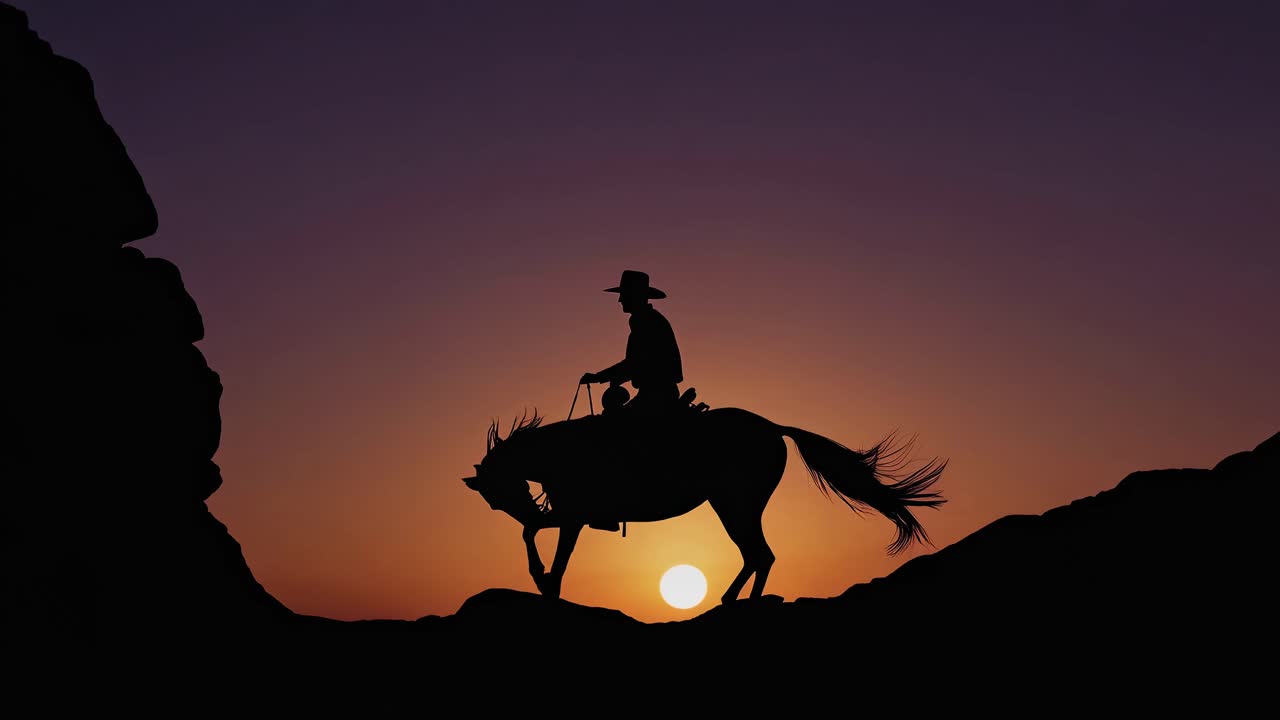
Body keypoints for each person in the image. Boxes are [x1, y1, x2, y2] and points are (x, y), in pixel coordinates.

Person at [580, 270, 684, 417]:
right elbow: (641, 363)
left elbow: (636, 363)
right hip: (656, 393)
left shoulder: (647, 322)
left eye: (624, 295)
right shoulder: (649, 320)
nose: (620, 300)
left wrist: (599, 377)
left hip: (656, 397)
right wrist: (615, 377)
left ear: (634, 296)